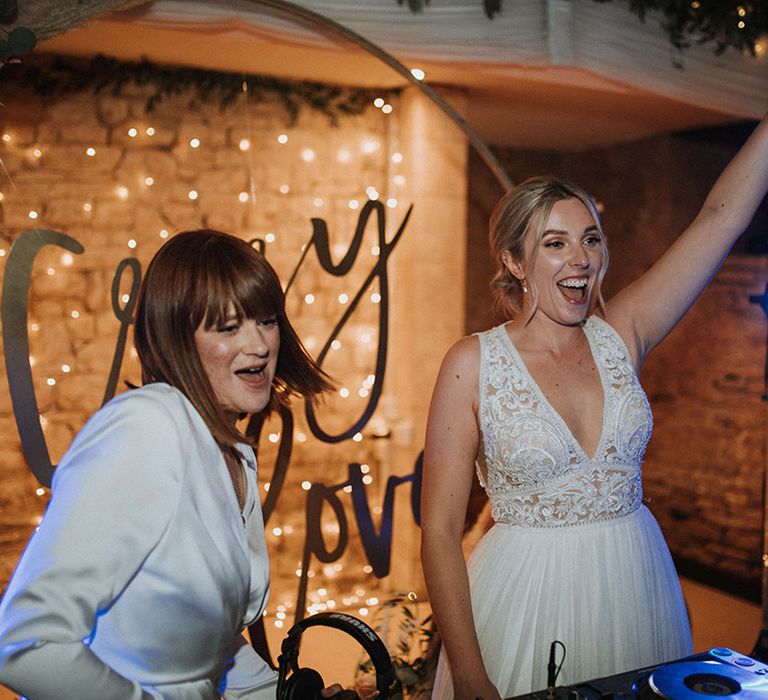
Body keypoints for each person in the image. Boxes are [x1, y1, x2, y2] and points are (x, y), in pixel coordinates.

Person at [421, 113, 768, 700]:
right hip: (528, 598)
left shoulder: (623, 333)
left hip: (637, 583)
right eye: (554, 243)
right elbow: (439, 531)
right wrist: (473, 676)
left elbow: (722, 217)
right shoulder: (471, 363)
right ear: (513, 261)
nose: (579, 258)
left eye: (590, 239)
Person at [0, 229, 336, 699]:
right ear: (176, 338)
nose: (259, 345)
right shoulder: (145, 429)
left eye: (266, 320)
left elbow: (202, 648)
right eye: (228, 327)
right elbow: (25, 643)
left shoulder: (234, 452)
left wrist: (276, 693)